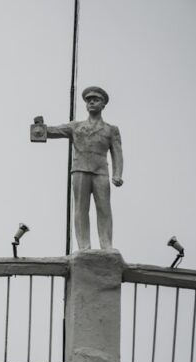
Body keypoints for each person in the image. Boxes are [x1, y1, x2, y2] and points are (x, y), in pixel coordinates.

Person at [39, 86, 124, 250]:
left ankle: (106, 245)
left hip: (101, 171)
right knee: (80, 209)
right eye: (89, 100)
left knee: (104, 209)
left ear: (103, 105)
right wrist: (40, 128)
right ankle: (84, 246)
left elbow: (117, 153)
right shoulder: (75, 126)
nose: (92, 102)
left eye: (96, 100)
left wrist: (117, 173)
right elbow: (55, 130)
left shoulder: (111, 130)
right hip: (80, 170)